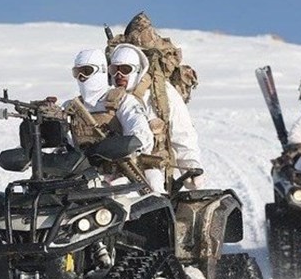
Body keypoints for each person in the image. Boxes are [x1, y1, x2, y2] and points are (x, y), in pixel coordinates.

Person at [108, 43, 205, 192]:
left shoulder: (161, 95)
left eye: (126, 69)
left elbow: (183, 133)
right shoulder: (104, 96)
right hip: (113, 177)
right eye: (114, 69)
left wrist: (191, 167)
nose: (119, 75)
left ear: (139, 69)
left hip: (155, 177)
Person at [63, 48, 156, 188]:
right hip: (82, 178)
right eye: (77, 72)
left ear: (101, 70)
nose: (82, 77)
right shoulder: (71, 107)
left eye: (86, 71)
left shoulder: (123, 101)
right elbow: (61, 142)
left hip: (123, 178)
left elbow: (142, 135)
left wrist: (116, 147)